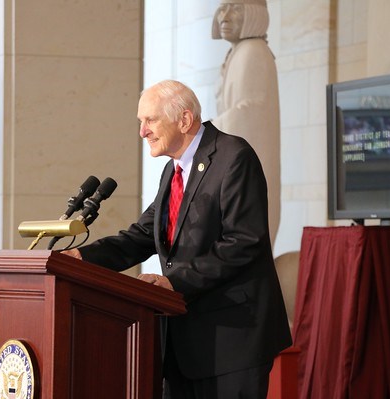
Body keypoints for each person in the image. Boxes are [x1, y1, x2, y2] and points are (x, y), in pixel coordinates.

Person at [62, 80, 291, 398]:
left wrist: (174, 283)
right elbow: (142, 235)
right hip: (183, 343)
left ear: (184, 120)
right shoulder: (173, 170)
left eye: (150, 120)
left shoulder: (234, 157)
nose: (143, 132)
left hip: (232, 341)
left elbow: (243, 242)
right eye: (141, 122)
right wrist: (82, 260)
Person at [211, 0, 281, 245]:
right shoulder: (240, 51)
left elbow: (247, 113)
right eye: (222, 9)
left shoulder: (253, 51)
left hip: (247, 166)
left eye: (236, 8)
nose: (225, 17)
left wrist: (204, 131)